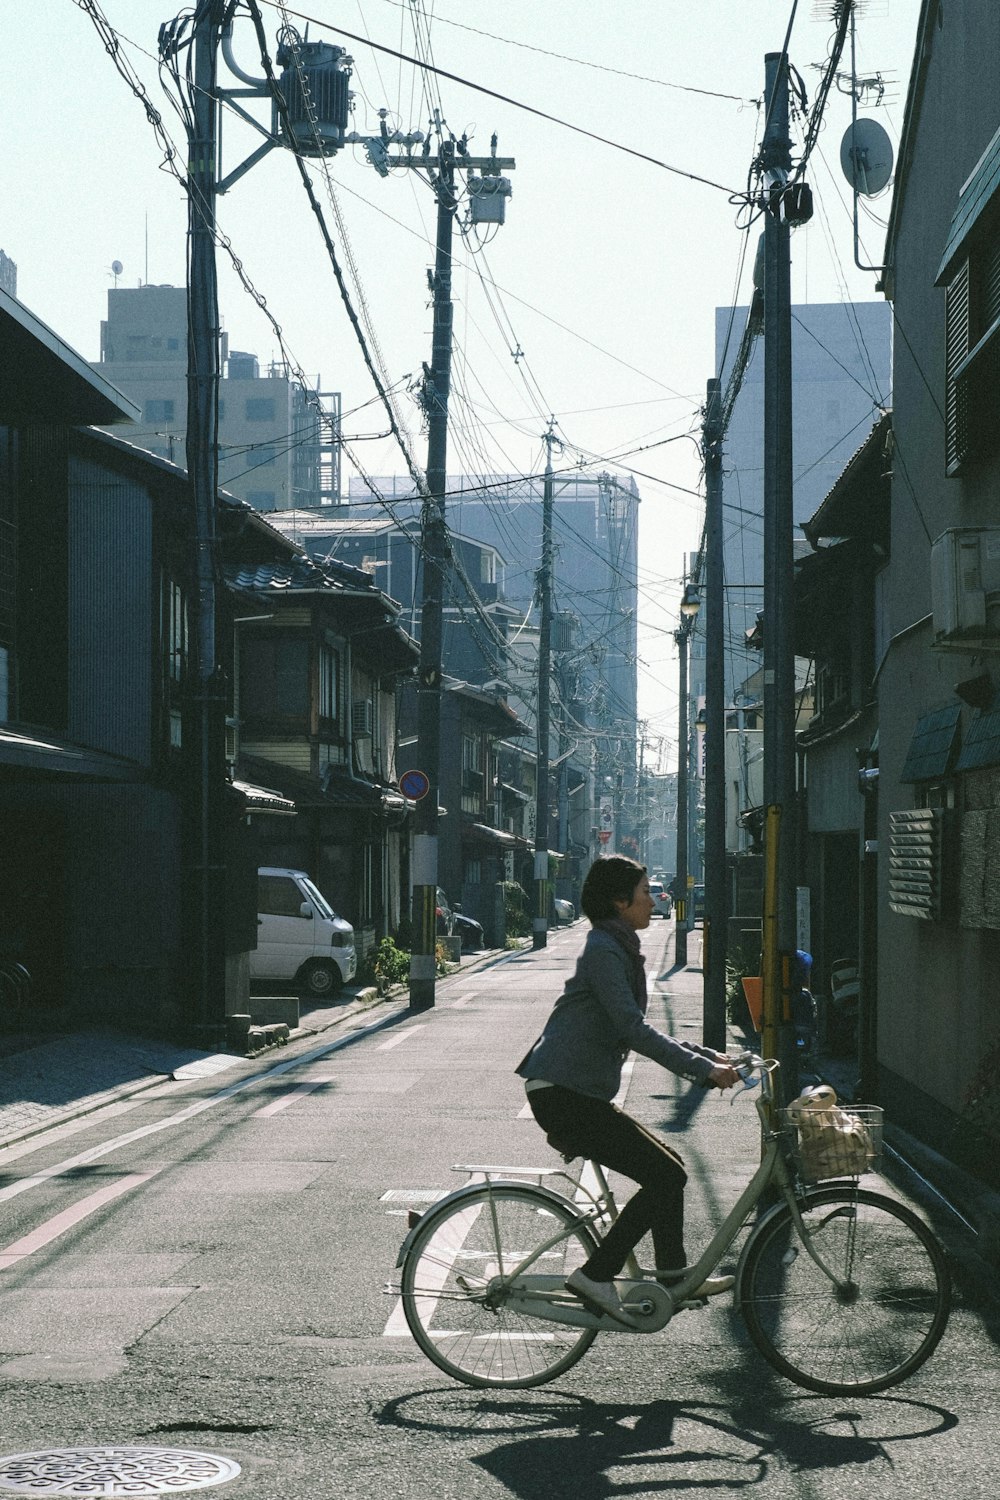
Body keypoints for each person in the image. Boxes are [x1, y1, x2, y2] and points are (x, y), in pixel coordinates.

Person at [516, 855, 740, 1324]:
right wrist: (699, 1070)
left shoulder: (617, 946)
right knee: (664, 1176)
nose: (653, 900)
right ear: (620, 902)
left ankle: (673, 1276)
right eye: (644, 892)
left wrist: (708, 1055)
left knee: (669, 1170)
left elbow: (633, 1027)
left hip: (575, 1091)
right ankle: (597, 1275)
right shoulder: (604, 948)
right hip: (564, 1093)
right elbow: (633, 1029)